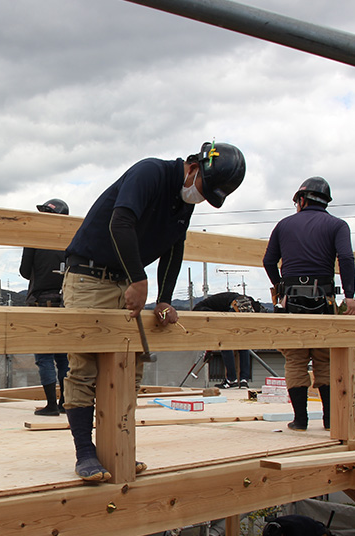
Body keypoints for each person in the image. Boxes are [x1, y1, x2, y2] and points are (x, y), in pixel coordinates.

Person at [62, 141, 247, 481]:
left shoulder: (183, 203)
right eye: (204, 189)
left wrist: (163, 299)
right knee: (85, 367)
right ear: (193, 166)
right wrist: (138, 278)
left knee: (129, 369)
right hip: (90, 277)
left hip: (126, 282)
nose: (201, 198)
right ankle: (85, 452)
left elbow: (175, 249)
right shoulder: (151, 173)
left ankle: (118, 448)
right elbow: (121, 222)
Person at [263, 177, 355, 431]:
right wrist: (350, 294)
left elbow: (269, 261)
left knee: (295, 358)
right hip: (323, 298)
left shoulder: (284, 225)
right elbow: (346, 258)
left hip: (290, 300)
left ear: (302, 200)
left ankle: (300, 420)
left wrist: (280, 286)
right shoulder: (338, 225)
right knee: (324, 358)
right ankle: (329, 419)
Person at [20, 198, 71, 416]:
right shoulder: (72, 240)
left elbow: (24, 271)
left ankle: (51, 405)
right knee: (63, 357)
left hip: (41, 302)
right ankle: (65, 403)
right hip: (66, 303)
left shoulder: (35, 237)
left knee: (44, 357)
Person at [191, 292, 263, 388]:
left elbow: (214, 326)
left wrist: (209, 349)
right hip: (245, 304)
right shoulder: (210, 304)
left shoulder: (200, 311)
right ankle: (243, 380)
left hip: (236, 305)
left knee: (225, 344)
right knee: (242, 344)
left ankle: (231, 379)